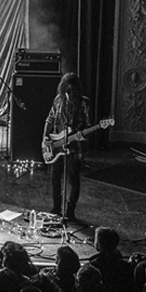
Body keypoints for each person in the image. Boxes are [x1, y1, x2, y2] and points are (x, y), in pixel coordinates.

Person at [43, 73, 92, 222]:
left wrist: (80, 134)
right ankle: (56, 207)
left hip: (74, 146)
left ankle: (70, 211)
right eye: (67, 90)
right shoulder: (58, 100)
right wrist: (45, 137)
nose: (69, 94)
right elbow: (50, 118)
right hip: (57, 144)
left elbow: (87, 125)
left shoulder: (84, 103)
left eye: (72, 91)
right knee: (55, 176)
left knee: (73, 179)